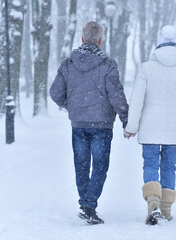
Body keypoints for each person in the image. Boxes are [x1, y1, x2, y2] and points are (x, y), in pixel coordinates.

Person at [50, 21, 129, 225]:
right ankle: (89, 204)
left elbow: (55, 93)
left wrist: (73, 106)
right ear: (100, 40)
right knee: (100, 165)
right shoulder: (108, 65)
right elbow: (116, 95)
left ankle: (85, 203)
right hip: (102, 124)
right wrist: (125, 119)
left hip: (78, 124)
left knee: (81, 164)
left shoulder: (68, 63)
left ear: (83, 38)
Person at [125, 25, 176, 225]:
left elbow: (137, 100)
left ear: (157, 47)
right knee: (169, 166)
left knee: (150, 164)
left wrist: (131, 127)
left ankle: (153, 201)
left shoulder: (146, 68)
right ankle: (166, 209)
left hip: (149, 128)